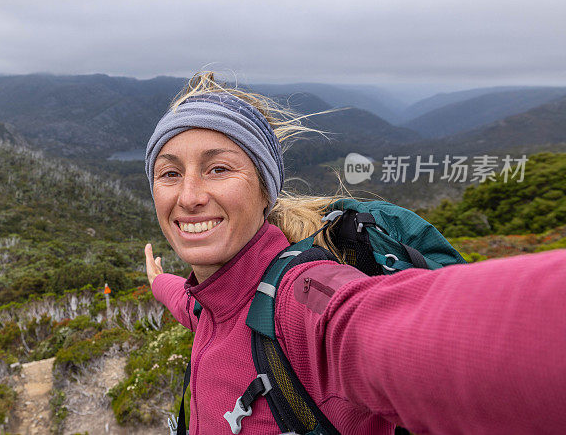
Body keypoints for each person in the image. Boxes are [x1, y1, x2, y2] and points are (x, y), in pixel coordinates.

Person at [143, 72, 566, 434]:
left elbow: (383, 328)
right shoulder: (211, 303)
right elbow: (195, 306)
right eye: (170, 173)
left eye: (219, 168)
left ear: (264, 189)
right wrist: (160, 281)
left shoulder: (305, 295)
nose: (190, 196)